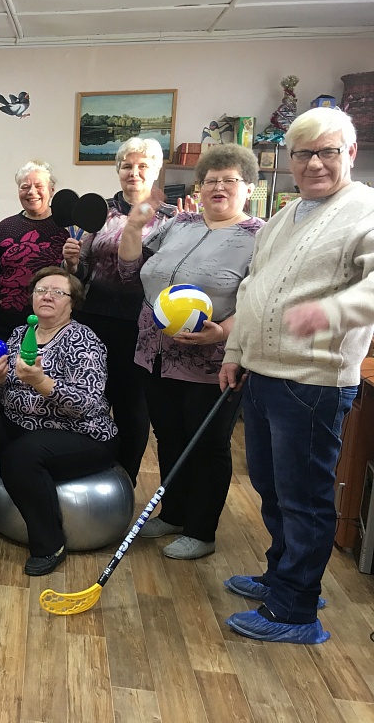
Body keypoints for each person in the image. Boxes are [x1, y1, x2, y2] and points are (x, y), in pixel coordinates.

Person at [219, 108, 374, 644]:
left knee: (304, 499)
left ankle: (296, 611)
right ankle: (283, 576)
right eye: (303, 153)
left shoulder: (364, 209)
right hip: (263, 375)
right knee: (270, 487)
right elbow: (252, 287)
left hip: (314, 381)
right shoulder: (287, 214)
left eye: (327, 151)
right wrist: (234, 351)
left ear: (350, 153)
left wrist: (329, 314)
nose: (314, 163)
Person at [117, 145, 264, 560]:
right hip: (154, 354)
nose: (218, 187)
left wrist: (223, 332)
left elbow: (262, 299)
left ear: (248, 188)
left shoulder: (260, 236)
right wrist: (133, 226)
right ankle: (174, 513)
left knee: (208, 445)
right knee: (169, 437)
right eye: (210, 180)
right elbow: (130, 271)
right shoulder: (179, 223)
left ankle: (201, 530)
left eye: (229, 180)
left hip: (213, 362)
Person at [0, 267, 118, 576]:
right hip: (22, 423)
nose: (47, 296)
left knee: (22, 456)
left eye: (58, 292)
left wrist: (42, 382)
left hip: (80, 433)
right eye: (41, 290)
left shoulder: (83, 340)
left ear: (73, 302)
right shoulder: (20, 333)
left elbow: (88, 404)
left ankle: (49, 544)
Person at [68, 137, 176, 485]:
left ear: (155, 171)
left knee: (132, 408)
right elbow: (83, 272)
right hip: (93, 322)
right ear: (118, 171)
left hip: (141, 327)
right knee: (90, 399)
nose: (134, 172)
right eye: (127, 166)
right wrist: (72, 263)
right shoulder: (100, 212)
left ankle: (125, 482)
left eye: (143, 166)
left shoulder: (171, 219)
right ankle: (88, 476)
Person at [0, 160, 68, 342]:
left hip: (52, 325)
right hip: (7, 320)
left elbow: (77, 274)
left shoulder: (67, 229)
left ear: (51, 190)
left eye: (39, 186)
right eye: (25, 187)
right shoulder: (5, 228)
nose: (32, 192)